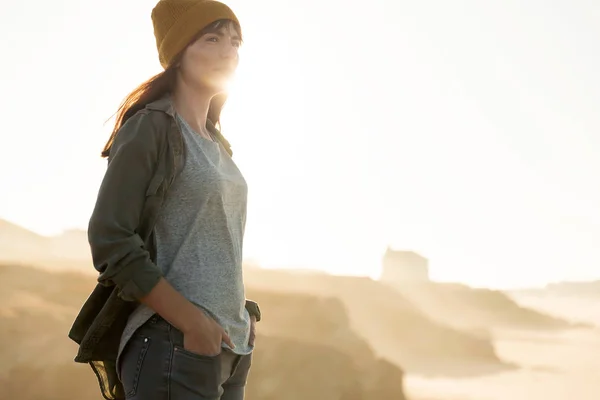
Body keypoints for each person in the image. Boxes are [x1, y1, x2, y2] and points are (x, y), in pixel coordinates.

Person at [68, 1, 261, 399]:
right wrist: (192, 321)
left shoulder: (218, 144)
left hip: (232, 348)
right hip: (174, 345)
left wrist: (241, 311)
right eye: (212, 38)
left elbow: (208, 242)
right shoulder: (152, 128)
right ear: (178, 53)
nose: (229, 51)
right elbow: (110, 238)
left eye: (235, 41)